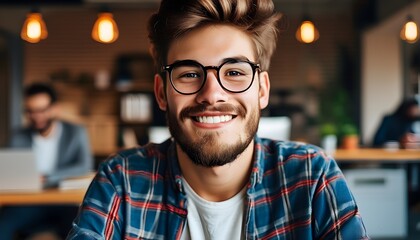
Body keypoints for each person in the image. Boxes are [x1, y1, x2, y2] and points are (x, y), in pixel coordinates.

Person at [67, 0, 368, 239]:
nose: (212, 95)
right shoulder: (121, 181)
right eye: (189, 74)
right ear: (161, 93)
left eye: (234, 73)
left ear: (262, 90)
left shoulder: (312, 176)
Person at [0, 82, 93, 240]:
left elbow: (84, 166)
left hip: (64, 203)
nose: (37, 116)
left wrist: (48, 177)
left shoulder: (76, 132)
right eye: (30, 111)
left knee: (84, 227)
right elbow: (8, 171)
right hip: (28, 204)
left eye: (42, 110)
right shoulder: (18, 136)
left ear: (55, 108)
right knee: (3, 225)